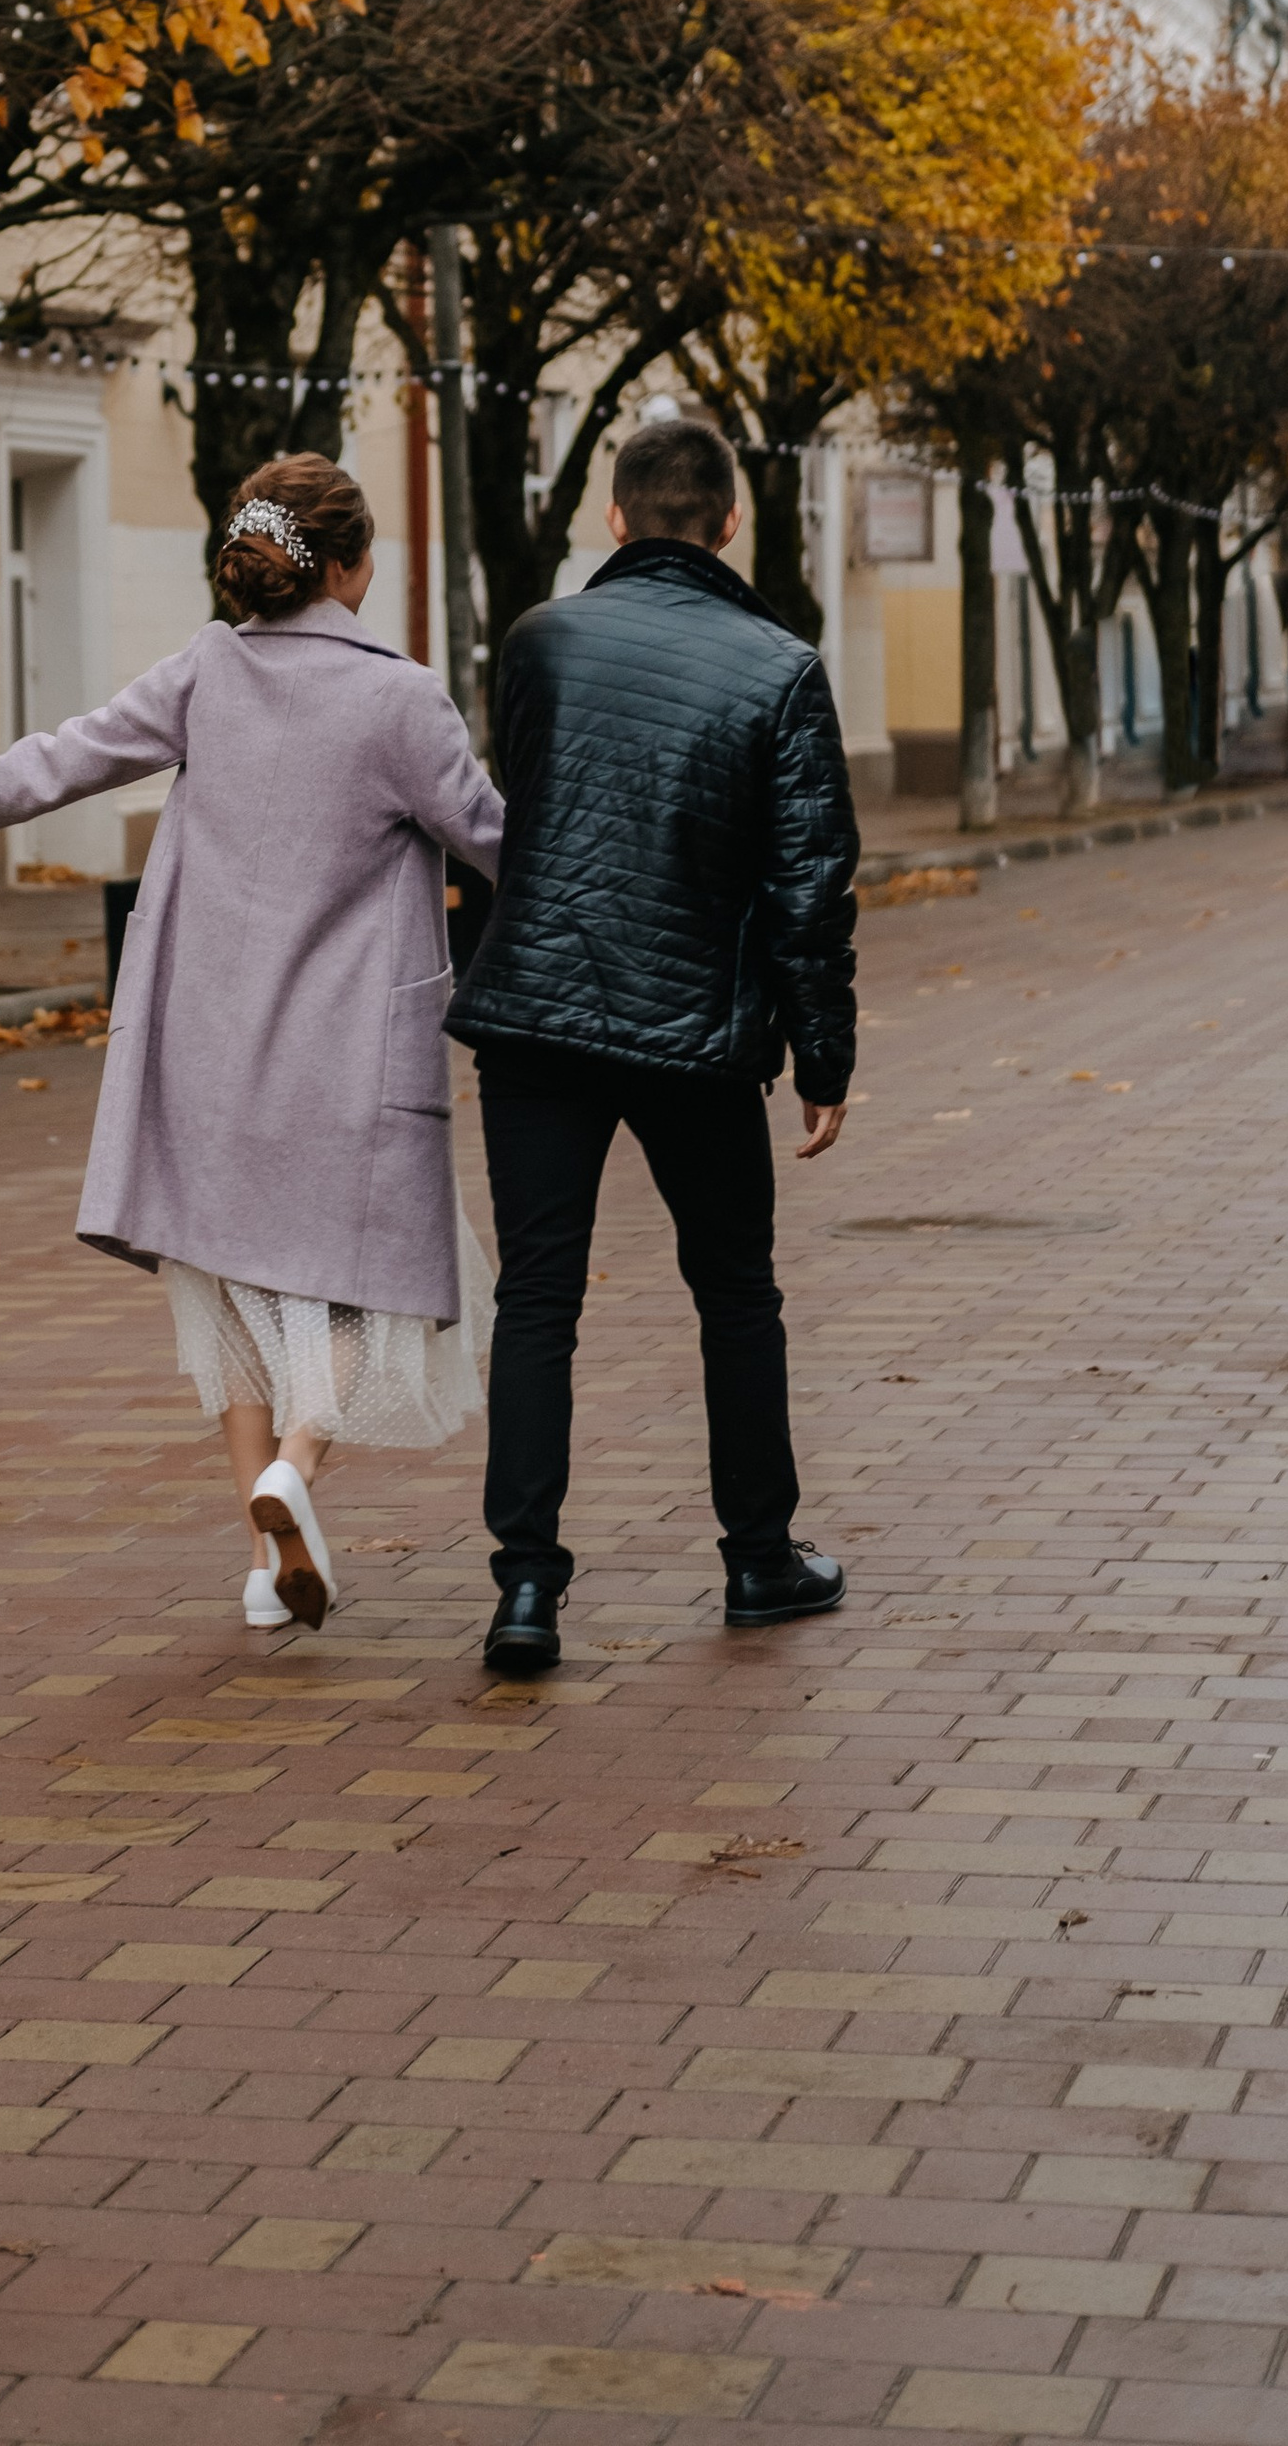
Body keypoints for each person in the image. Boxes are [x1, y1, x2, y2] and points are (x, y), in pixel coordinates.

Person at [0, 453, 504, 1633]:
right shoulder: (401, 699)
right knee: (363, 1290)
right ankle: (295, 1465)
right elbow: (503, 844)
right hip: (345, 1054)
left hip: (204, 1047)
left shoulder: (207, 672)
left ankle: (261, 1563)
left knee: (231, 1289)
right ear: (345, 569)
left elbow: (62, 758)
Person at [447, 410, 858, 1674]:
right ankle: (757, 1558)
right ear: (728, 521)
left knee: (537, 1300)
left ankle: (525, 1592)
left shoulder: (537, 642)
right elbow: (810, 885)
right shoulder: (781, 666)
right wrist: (822, 1056)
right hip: (695, 1031)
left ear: (613, 518)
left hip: (536, 1018)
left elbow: (521, 807)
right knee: (734, 1295)